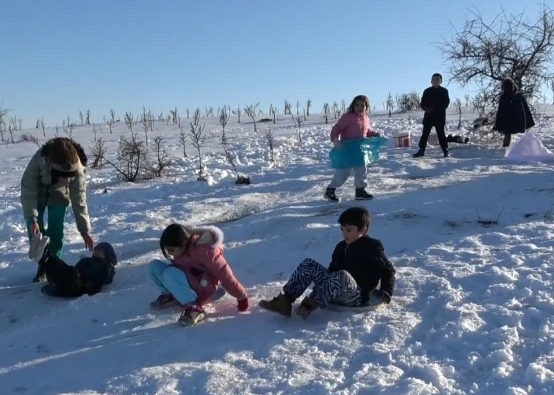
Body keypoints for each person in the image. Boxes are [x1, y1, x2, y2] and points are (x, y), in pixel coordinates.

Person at [259, 207, 395, 319]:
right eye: (342, 229)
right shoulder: (341, 246)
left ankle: (309, 304)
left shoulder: (372, 247)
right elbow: (332, 269)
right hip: (334, 290)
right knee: (308, 264)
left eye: (349, 230)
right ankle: (285, 300)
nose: (344, 234)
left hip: (356, 295)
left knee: (342, 275)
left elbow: (388, 270)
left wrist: (386, 290)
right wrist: (325, 282)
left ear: (363, 230)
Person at [20, 137, 94, 283]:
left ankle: (52, 266)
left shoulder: (77, 168)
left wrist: (84, 230)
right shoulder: (39, 160)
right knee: (35, 230)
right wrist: (33, 218)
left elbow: (79, 200)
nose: (65, 180)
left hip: (59, 196)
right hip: (37, 195)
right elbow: (28, 191)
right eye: (62, 176)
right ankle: (42, 262)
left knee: (56, 231)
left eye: (68, 177)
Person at [149, 223, 250, 326]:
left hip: (204, 286)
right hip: (187, 280)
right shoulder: (183, 248)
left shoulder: (206, 251)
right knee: (154, 266)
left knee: (170, 273)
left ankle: (194, 308)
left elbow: (225, 275)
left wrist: (241, 296)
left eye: (171, 250)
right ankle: (170, 295)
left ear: (183, 243)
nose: (170, 254)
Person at [323, 95, 381, 203]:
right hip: (347, 150)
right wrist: (335, 141)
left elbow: (367, 131)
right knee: (343, 172)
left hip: (360, 150)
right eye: (357, 105)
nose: (359, 107)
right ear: (353, 105)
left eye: (362, 105)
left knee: (361, 170)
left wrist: (374, 134)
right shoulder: (348, 117)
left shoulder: (365, 118)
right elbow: (337, 128)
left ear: (366, 106)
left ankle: (360, 191)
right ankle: (330, 190)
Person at [28, 233, 116, 297]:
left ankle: (45, 255)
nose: (96, 251)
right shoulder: (88, 260)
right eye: (96, 249)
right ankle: (42, 255)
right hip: (75, 279)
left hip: (80, 285)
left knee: (63, 269)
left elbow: (105, 278)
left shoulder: (104, 266)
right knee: (59, 271)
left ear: (107, 256)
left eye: (100, 251)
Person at [414, 73, 451, 158]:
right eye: (434, 79)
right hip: (428, 116)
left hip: (439, 116)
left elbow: (446, 103)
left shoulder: (444, 91)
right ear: (431, 81)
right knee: (425, 134)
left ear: (441, 81)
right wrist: (426, 108)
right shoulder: (427, 91)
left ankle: (445, 150)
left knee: (441, 134)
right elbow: (422, 103)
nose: (435, 81)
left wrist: (435, 106)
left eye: (437, 79)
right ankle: (421, 150)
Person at [493, 77, 535, 147]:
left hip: (508, 120)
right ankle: (508, 148)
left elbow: (500, 111)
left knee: (507, 133)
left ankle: (507, 148)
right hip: (515, 120)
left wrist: (498, 124)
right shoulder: (518, 96)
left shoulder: (510, 96)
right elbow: (526, 110)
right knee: (508, 133)